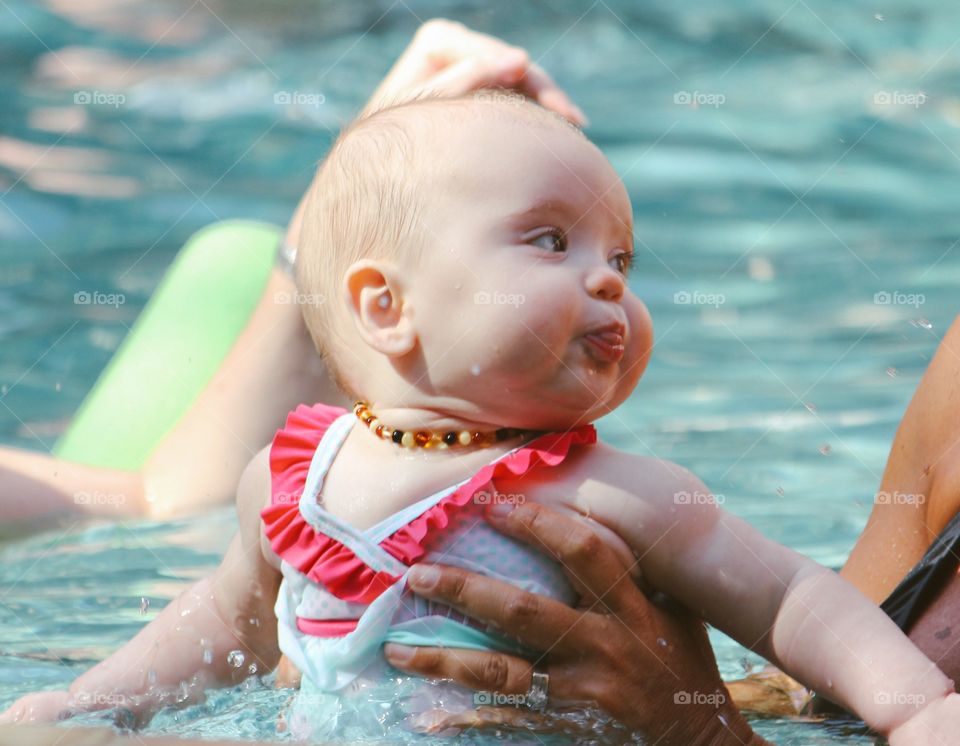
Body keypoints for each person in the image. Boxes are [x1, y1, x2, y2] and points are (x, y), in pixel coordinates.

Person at [3, 91, 959, 746]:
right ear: (387, 305)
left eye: (622, 261)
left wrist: (916, 710)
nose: (606, 280)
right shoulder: (294, 476)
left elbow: (793, 600)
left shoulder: (612, 491)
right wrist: (91, 706)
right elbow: (224, 624)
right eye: (552, 240)